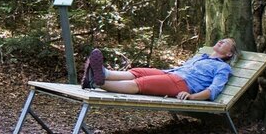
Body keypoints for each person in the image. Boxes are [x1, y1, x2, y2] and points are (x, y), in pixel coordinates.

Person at [81, 38, 238, 101]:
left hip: (182, 83)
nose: (221, 40)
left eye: (226, 42)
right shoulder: (201, 57)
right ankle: (103, 73)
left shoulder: (223, 68)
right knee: (138, 71)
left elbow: (214, 89)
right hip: (171, 73)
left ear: (229, 53)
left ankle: (96, 82)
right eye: (221, 39)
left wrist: (191, 97)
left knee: (141, 83)